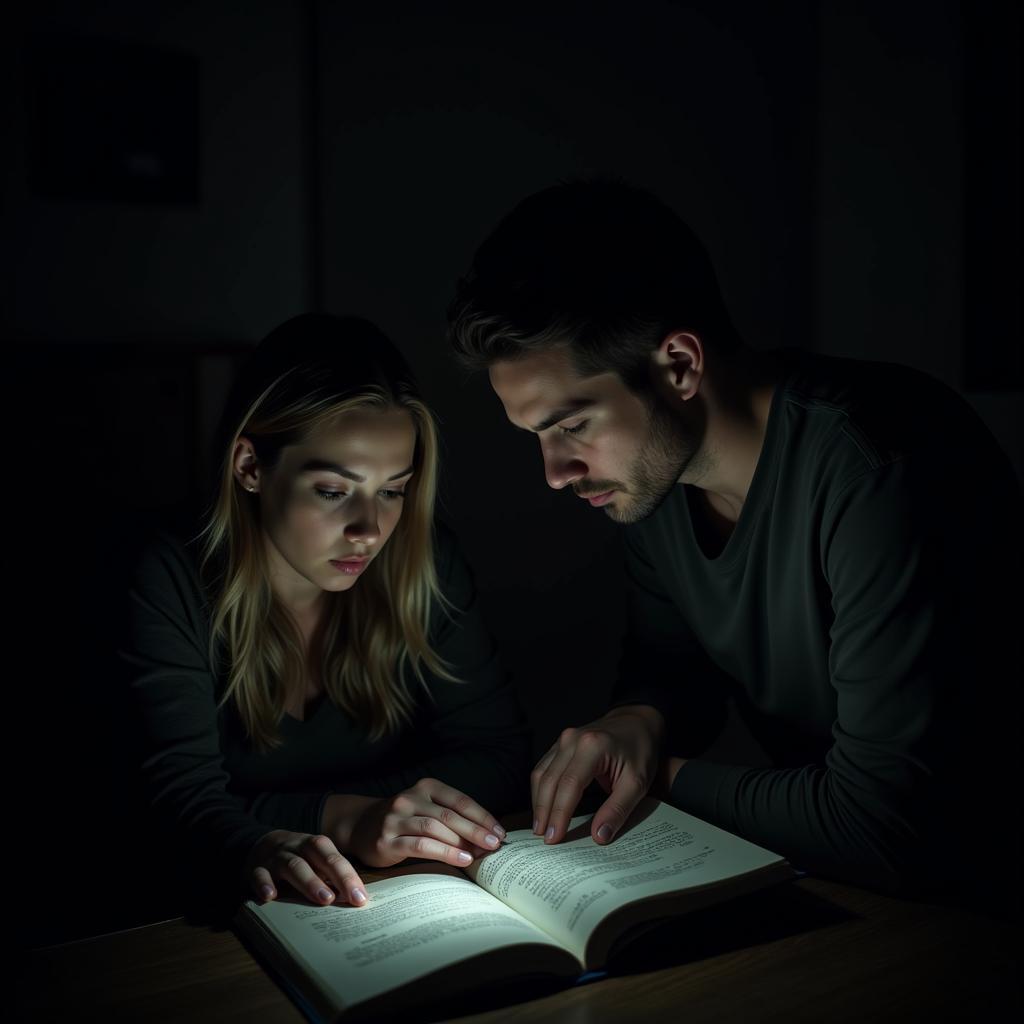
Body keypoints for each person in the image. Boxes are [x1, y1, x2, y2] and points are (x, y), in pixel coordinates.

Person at [447, 179, 1022, 906]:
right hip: (851, 894)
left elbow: (889, 825)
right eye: (536, 436)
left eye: (572, 425)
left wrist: (656, 778)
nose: (556, 474)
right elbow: (673, 672)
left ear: (680, 365)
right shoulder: (654, 485)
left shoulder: (882, 466)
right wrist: (637, 720)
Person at [119, 313, 528, 915]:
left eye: (393, 490)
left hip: (395, 896)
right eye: (334, 491)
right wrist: (346, 817)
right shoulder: (169, 579)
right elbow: (171, 808)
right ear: (251, 467)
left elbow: (502, 755)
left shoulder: (423, 559)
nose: (370, 530)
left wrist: (347, 819)